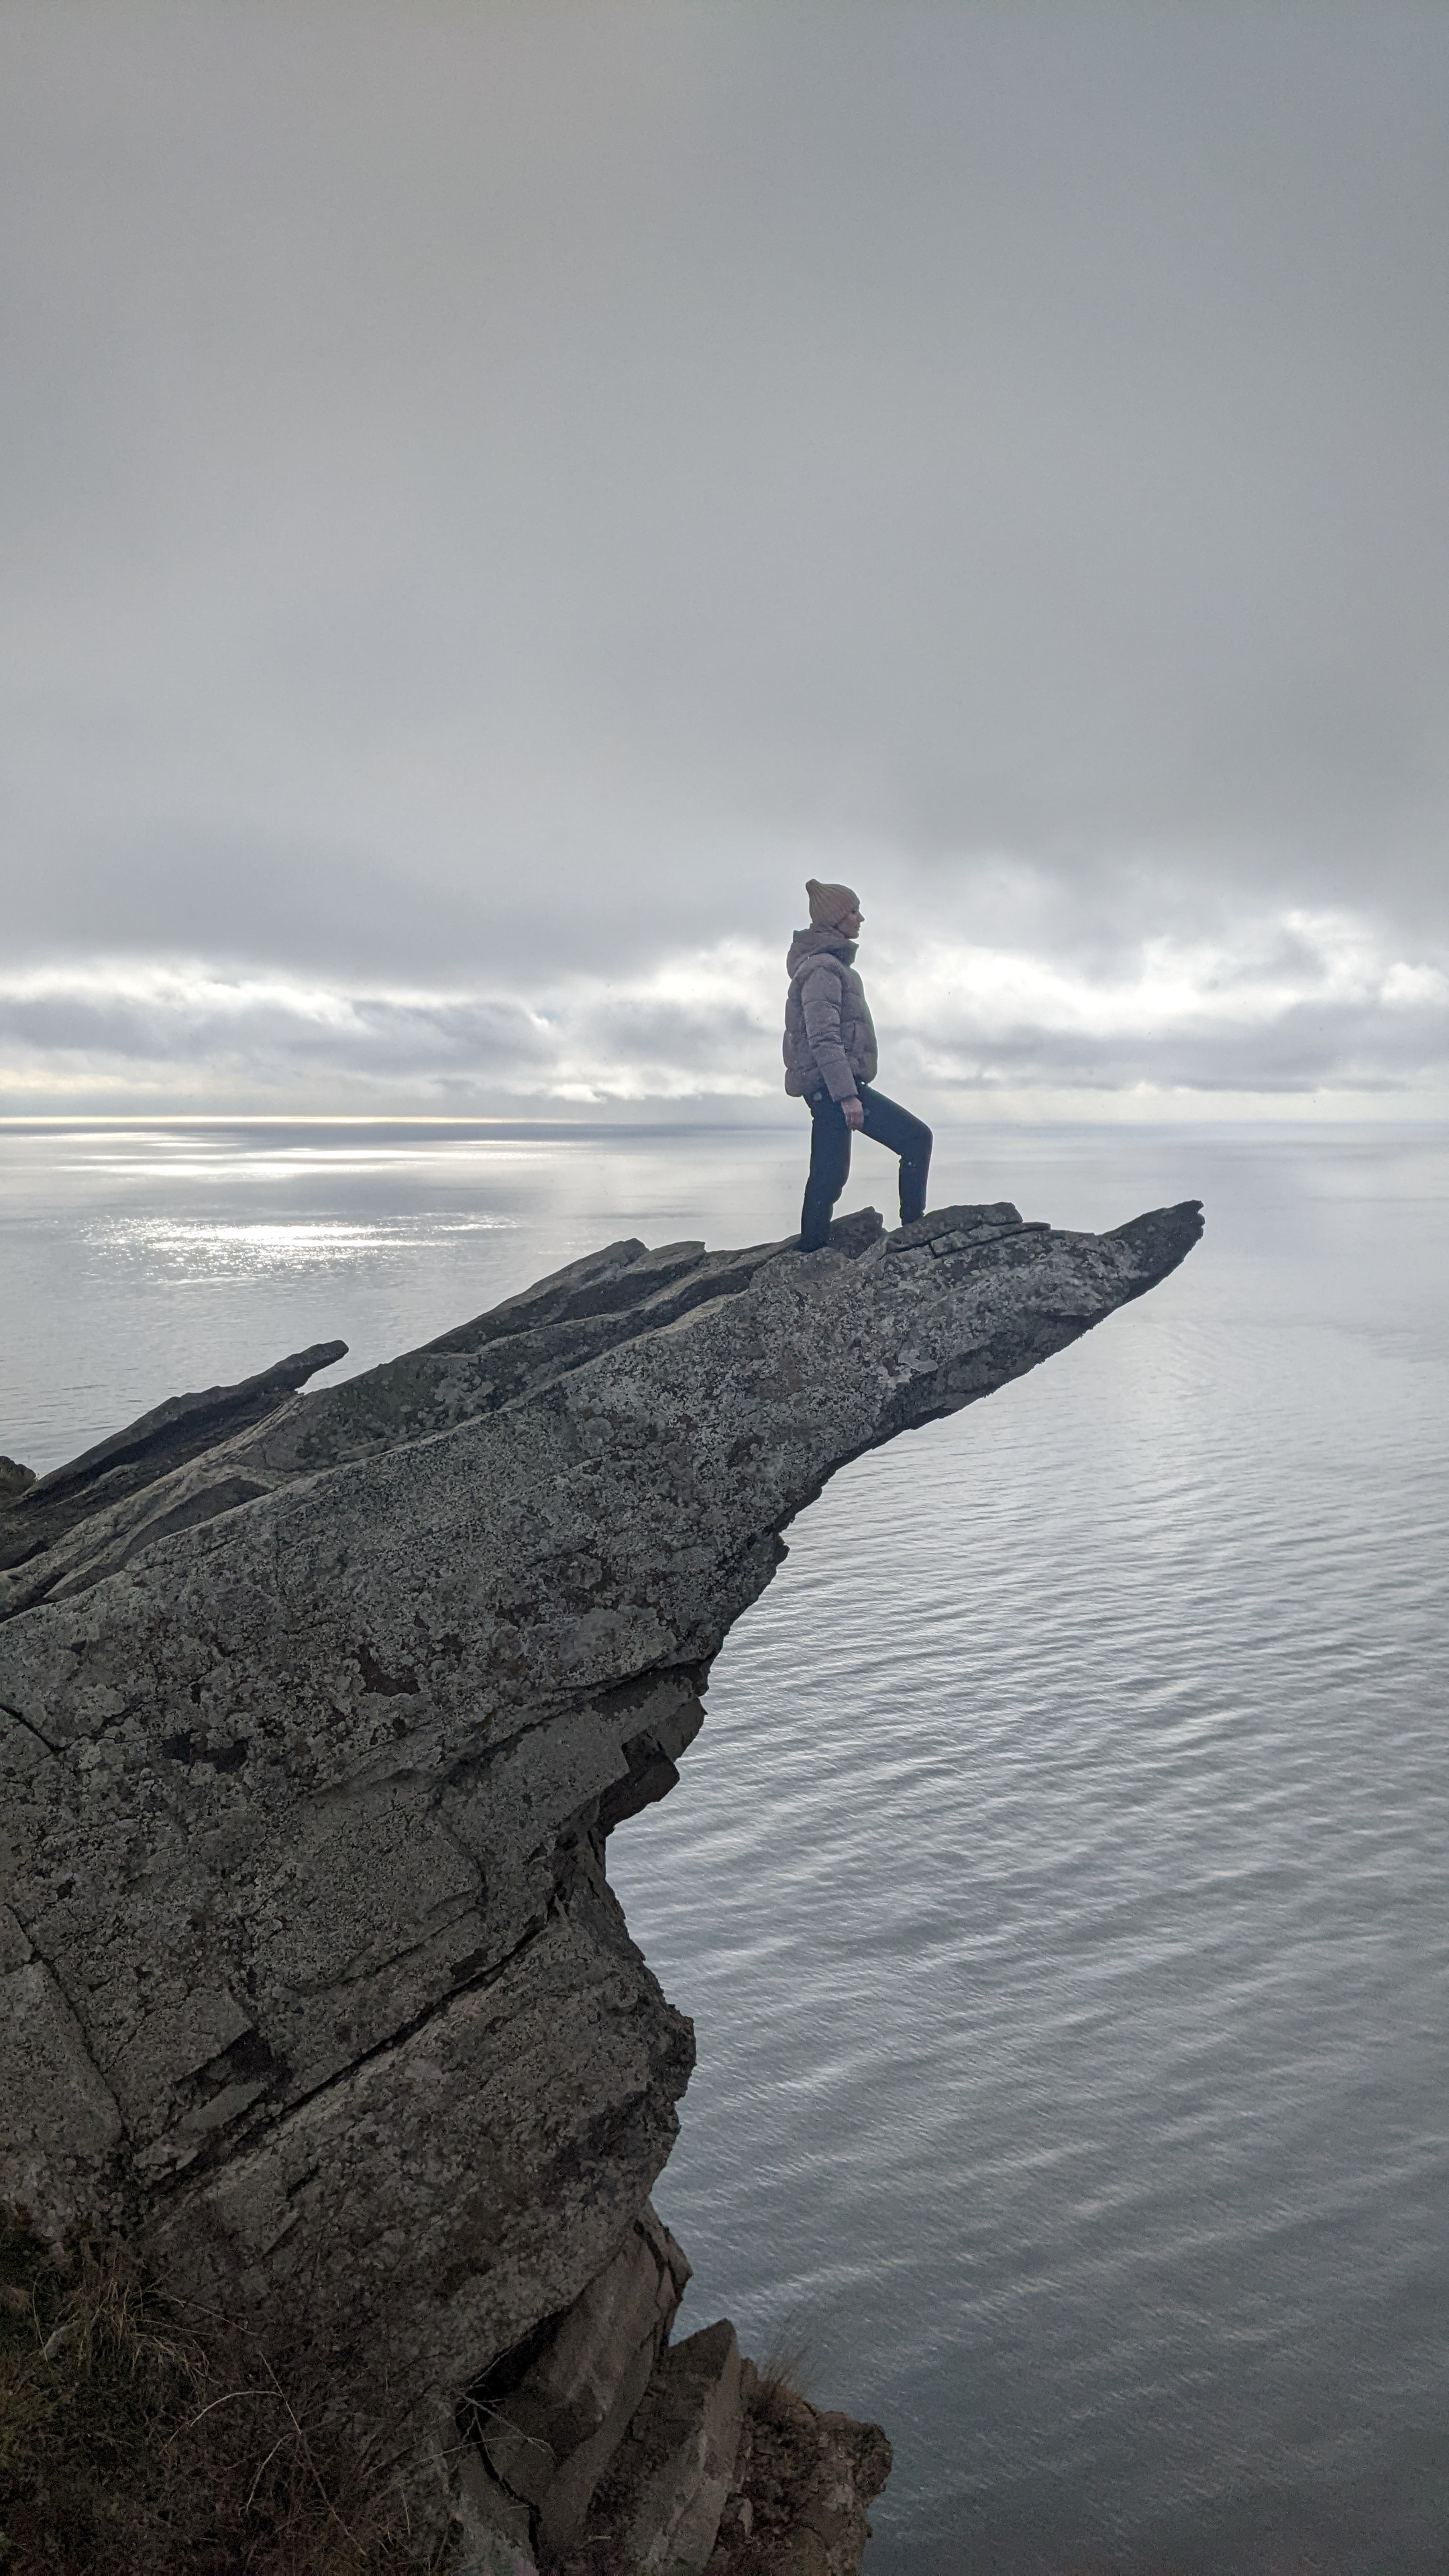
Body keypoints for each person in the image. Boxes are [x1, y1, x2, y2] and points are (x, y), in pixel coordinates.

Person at [784, 878, 932, 1252]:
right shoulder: (823, 970)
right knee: (916, 1140)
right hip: (833, 1087)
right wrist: (848, 1095)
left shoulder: (831, 966)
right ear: (835, 920)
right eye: (853, 911)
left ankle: (811, 1249)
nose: (860, 918)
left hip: (828, 1088)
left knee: (829, 1174)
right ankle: (915, 1235)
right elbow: (823, 1037)